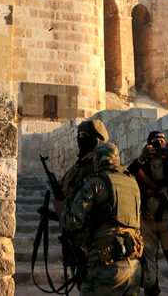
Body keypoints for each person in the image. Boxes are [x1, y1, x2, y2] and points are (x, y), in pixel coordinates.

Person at [60, 142, 144, 295]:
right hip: (134, 265)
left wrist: (62, 209)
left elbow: (72, 221)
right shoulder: (132, 182)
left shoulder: (96, 183)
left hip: (106, 266)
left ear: (99, 159)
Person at [127, 130, 168, 296]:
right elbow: (128, 176)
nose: (158, 144)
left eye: (161, 141)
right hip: (147, 220)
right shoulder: (142, 163)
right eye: (154, 141)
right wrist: (141, 158)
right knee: (149, 266)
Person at [56, 118, 111, 280]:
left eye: (85, 135)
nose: (81, 139)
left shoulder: (100, 167)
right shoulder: (76, 168)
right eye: (79, 135)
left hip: (94, 240)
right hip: (75, 238)